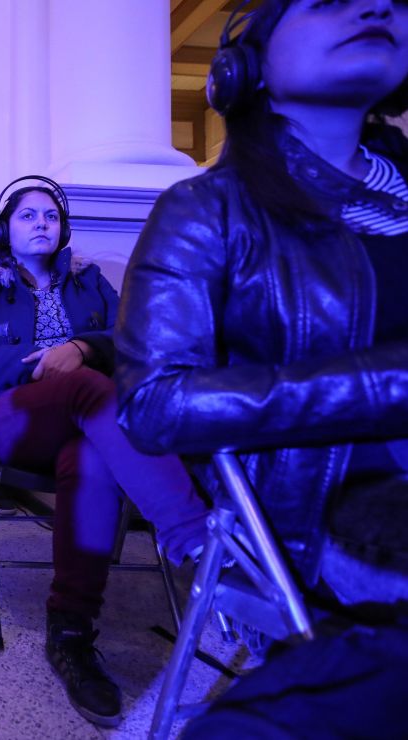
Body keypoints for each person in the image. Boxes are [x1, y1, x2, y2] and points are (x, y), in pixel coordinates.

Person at [117, 0, 408, 614]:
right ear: (248, 62)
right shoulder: (206, 209)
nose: (378, 5)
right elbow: (153, 404)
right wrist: (386, 384)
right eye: (328, 0)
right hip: (323, 501)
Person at [0, 175, 211, 728]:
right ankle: (191, 533)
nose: (41, 224)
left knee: (92, 458)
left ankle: (71, 631)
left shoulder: (89, 280)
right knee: (86, 387)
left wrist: (79, 347)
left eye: (50, 216)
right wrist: (47, 362)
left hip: (87, 423)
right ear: (6, 227)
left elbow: (133, 338)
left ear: (63, 227)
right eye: (28, 216)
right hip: (13, 416)